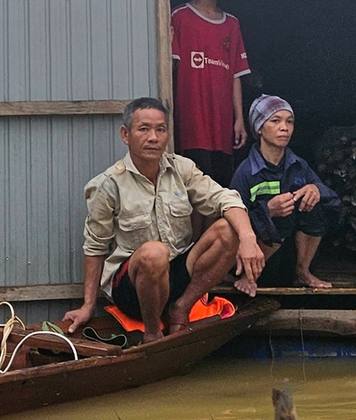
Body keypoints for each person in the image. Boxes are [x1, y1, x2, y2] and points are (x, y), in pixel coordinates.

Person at [65, 97, 265, 339]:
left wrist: (247, 238)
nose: (153, 138)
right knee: (154, 253)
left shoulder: (182, 169)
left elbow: (226, 198)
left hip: (177, 276)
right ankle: (152, 332)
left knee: (229, 229)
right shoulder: (108, 185)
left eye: (161, 129)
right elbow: (95, 247)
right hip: (132, 288)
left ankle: (181, 309)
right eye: (144, 129)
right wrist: (87, 305)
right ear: (125, 135)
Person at [230, 95, 342, 291]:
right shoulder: (246, 172)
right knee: (282, 213)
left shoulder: (298, 166)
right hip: (252, 258)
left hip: (288, 257)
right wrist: (268, 211)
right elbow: (231, 221)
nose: (284, 127)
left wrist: (317, 189)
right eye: (275, 121)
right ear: (259, 128)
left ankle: (303, 272)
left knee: (314, 203)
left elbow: (335, 202)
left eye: (289, 121)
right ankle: (250, 276)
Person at [170, 0, 251, 186]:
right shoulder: (180, 17)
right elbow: (170, 67)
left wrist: (239, 119)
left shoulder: (232, 24)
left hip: (222, 119)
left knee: (222, 183)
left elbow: (236, 74)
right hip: (192, 118)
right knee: (194, 182)